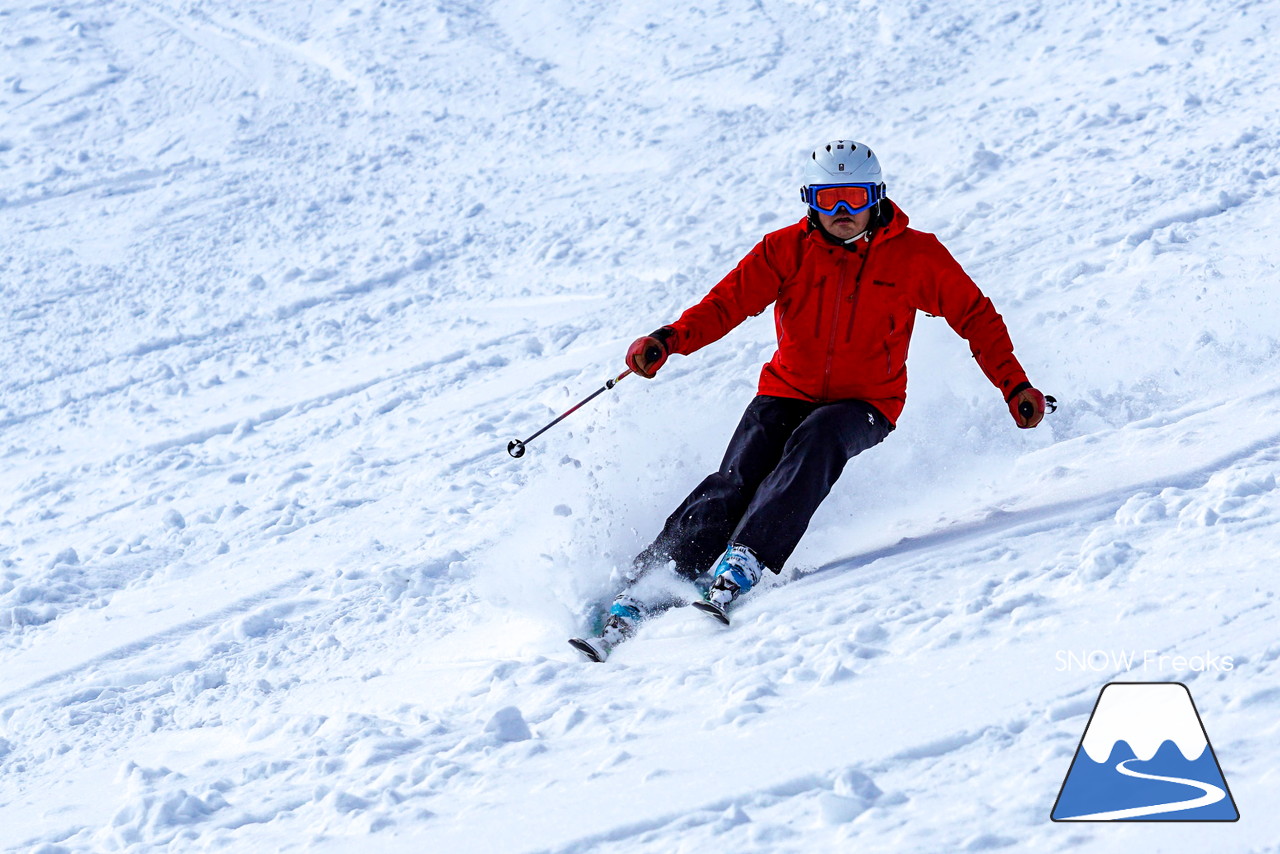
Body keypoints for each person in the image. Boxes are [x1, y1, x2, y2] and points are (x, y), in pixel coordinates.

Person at [569, 140, 1047, 662]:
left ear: (878, 196)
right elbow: (726, 303)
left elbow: (975, 315)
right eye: (829, 199)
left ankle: (745, 562)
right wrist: (670, 339)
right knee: (737, 478)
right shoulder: (784, 250)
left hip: (866, 402)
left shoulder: (916, 256)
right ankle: (654, 578)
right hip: (785, 390)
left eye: (855, 197)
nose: (843, 213)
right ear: (810, 200)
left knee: (816, 442)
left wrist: (1014, 384)